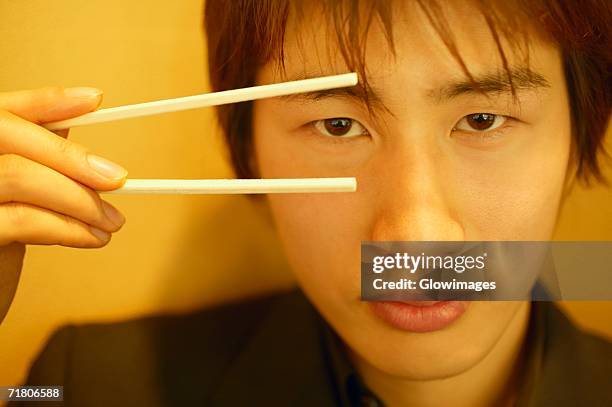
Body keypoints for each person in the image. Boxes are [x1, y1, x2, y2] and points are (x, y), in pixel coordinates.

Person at [1, 0, 611, 406]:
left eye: (482, 119)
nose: (415, 238)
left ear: (579, 136)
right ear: (251, 156)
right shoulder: (87, 387)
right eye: (337, 127)